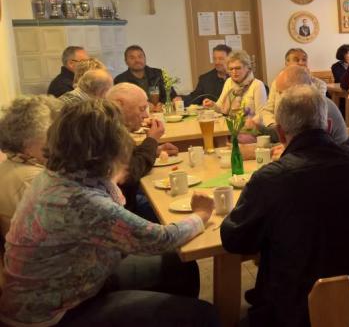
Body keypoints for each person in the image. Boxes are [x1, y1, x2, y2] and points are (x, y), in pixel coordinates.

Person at [0, 100, 218, 327]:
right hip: (53, 315)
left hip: (70, 284)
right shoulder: (78, 200)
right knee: (203, 315)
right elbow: (161, 239)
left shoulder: (55, 174)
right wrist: (201, 214)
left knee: (179, 264)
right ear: (108, 149)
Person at [221, 85, 349, 326]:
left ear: (281, 134)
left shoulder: (271, 178)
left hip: (302, 314)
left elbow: (234, 240)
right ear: (329, 127)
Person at [107, 83, 178, 216]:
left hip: (129, 200)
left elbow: (127, 158)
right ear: (119, 104)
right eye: (141, 109)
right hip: (123, 210)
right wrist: (152, 140)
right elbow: (131, 172)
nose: (146, 115)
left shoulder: (113, 127)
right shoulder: (108, 132)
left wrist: (154, 151)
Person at [0, 95, 61, 236]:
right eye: (51, 138)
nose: (58, 144)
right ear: (27, 143)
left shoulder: (10, 166)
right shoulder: (33, 180)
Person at [248, 65, 347, 146]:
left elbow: (307, 148)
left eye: (282, 92)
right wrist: (258, 128)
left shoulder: (315, 106)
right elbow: (287, 134)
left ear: (299, 89)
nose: (280, 97)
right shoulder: (301, 104)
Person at [262, 48, 328, 131]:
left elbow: (317, 110)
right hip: (279, 129)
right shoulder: (278, 82)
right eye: (296, 60)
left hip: (306, 130)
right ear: (287, 63)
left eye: (304, 60)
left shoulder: (320, 84)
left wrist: (307, 80)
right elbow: (267, 110)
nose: (301, 63)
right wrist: (274, 125)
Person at [203, 50, 267, 117]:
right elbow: (220, 107)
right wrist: (212, 105)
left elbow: (261, 115)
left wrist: (251, 123)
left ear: (247, 68)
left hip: (250, 126)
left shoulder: (257, 85)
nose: (234, 72)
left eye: (238, 68)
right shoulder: (229, 82)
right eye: (231, 69)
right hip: (231, 124)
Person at [113, 45, 178, 108]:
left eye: (140, 57)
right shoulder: (120, 80)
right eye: (132, 58)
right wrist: (142, 105)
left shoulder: (158, 74)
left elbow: (172, 95)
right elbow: (121, 105)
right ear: (126, 61)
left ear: (145, 58)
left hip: (161, 113)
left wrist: (162, 103)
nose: (137, 60)